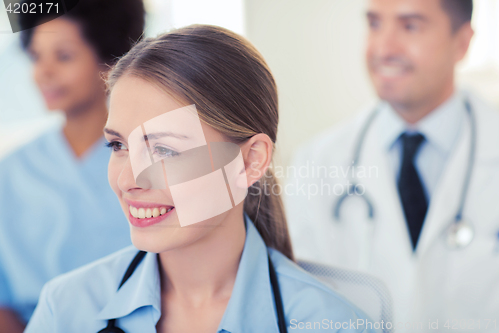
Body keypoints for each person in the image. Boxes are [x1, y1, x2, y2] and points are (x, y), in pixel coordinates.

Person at [24, 25, 376, 333]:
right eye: (118, 145)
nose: (128, 179)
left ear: (251, 161)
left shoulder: (333, 323)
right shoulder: (65, 310)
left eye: (163, 150)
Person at [286, 0, 499, 329]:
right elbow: (299, 305)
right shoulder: (317, 162)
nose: (383, 48)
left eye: (409, 26)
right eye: (374, 24)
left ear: (462, 43)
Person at [0, 1, 145, 331]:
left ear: (110, 61)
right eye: (36, 57)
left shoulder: (152, 162)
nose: (44, 72)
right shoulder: (10, 173)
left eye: (63, 56)